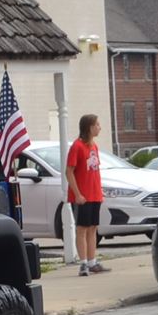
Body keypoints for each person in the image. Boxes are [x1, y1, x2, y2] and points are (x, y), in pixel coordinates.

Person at [65, 113, 108, 276]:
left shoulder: (94, 146)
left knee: (93, 228)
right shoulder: (77, 146)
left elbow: (94, 171)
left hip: (95, 194)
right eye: (97, 125)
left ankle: (92, 261)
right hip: (82, 196)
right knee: (82, 228)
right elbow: (69, 171)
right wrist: (77, 194)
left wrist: (99, 191)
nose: (99, 127)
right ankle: (83, 263)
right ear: (89, 127)